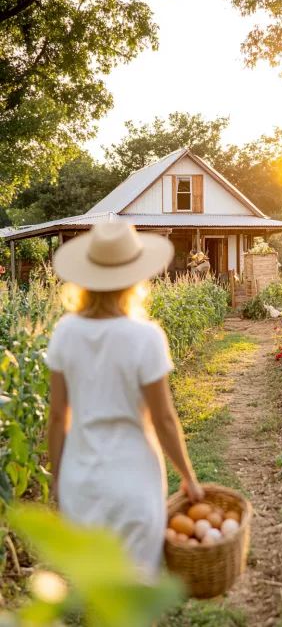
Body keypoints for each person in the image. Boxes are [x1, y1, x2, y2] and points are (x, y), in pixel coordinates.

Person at [46, 223, 204, 579]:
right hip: (134, 481)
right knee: (135, 594)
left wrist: (58, 480)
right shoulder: (145, 337)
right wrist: (189, 478)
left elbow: (58, 418)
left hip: (81, 482)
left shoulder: (65, 333)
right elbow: (162, 420)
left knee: (99, 597)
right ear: (135, 277)